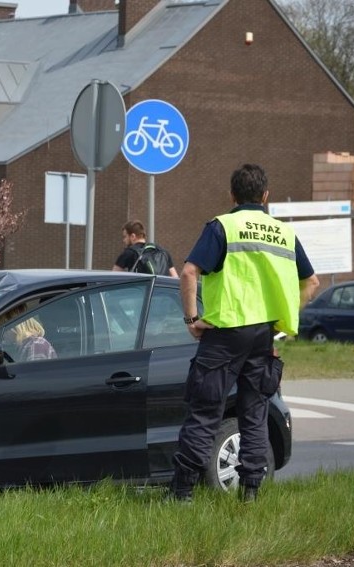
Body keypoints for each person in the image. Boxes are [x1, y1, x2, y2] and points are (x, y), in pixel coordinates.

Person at [168, 164, 319, 503]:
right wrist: (282, 319)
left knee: (206, 410)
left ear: (231, 195)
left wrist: (192, 319)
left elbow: (189, 273)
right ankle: (250, 492)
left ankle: (182, 493)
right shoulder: (284, 234)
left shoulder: (223, 226)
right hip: (263, 335)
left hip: (224, 333)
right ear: (266, 197)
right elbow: (312, 282)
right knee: (254, 413)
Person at [112, 220, 179, 277]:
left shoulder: (129, 252)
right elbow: (175, 278)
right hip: (161, 291)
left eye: (125, 237)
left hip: (140, 291)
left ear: (133, 236)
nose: (123, 240)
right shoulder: (163, 252)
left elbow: (113, 276)